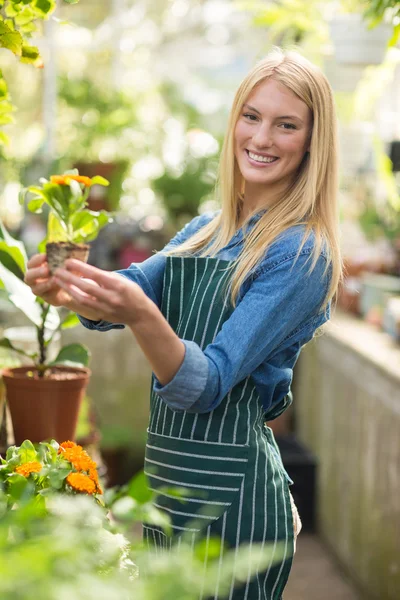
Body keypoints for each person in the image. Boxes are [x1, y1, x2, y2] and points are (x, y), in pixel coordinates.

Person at [24, 47, 343, 599]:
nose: (262, 138)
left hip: (236, 507)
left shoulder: (300, 254)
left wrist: (143, 315)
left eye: (285, 125)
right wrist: (72, 285)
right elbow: (126, 297)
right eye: (252, 116)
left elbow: (205, 384)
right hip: (171, 493)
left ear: (313, 141)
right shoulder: (206, 230)